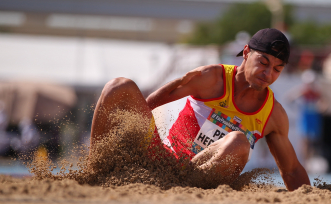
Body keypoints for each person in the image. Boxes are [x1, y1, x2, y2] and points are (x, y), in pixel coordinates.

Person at [90, 28, 311, 191]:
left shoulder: (274, 114)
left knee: (238, 141)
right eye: (263, 63)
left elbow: (291, 170)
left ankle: (183, 184)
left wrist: (309, 200)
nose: (268, 74)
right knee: (118, 86)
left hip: (201, 182)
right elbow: (149, 106)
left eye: (277, 69)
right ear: (246, 52)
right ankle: (93, 171)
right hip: (163, 163)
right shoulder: (211, 78)